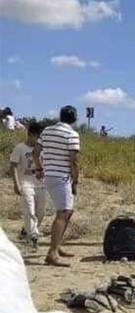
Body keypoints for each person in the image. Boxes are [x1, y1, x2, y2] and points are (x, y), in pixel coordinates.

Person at [33, 105, 80, 267]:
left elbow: (36, 151)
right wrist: (76, 180)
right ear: (74, 118)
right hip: (62, 177)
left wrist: (39, 167)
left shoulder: (46, 131)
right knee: (63, 213)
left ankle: (57, 246)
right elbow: (73, 160)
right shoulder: (72, 134)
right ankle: (52, 253)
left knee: (69, 211)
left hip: (50, 175)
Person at [10, 122, 47, 250]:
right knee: (29, 211)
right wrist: (16, 184)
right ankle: (33, 236)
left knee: (40, 212)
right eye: (37, 137)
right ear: (30, 135)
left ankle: (26, 231)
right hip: (26, 184)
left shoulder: (42, 149)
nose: (38, 140)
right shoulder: (20, 148)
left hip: (41, 185)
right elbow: (13, 166)